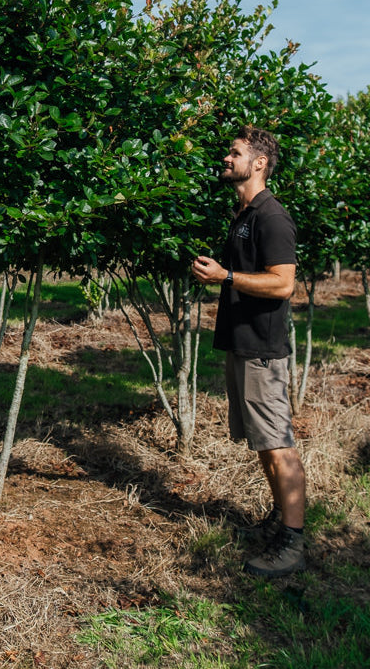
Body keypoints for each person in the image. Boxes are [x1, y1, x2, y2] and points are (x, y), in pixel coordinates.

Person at [191, 126, 306, 577]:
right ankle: (281, 519)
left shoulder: (271, 217)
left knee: (278, 444)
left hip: (263, 350)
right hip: (243, 344)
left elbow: (283, 283)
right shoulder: (243, 213)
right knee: (263, 442)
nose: (226, 157)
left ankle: (293, 543)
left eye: (234, 152)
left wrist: (227, 277)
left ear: (258, 163)